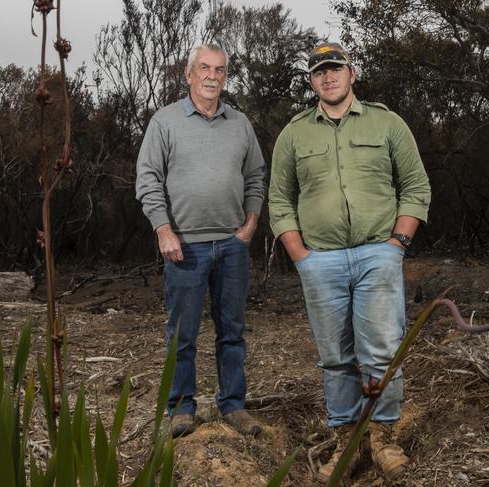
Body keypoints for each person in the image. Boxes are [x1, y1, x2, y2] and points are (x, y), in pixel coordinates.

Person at [268, 42, 431, 482]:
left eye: (335, 68)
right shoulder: (294, 133)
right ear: (312, 81)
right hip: (320, 260)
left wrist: (398, 243)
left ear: (351, 72)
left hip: (379, 251)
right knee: (335, 356)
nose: (328, 77)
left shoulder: (387, 122)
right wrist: (300, 255)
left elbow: (415, 184)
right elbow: (279, 199)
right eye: (319, 71)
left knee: (380, 350)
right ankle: (347, 440)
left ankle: (383, 438)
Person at [136, 44, 266, 439]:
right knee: (182, 334)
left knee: (232, 331)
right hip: (184, 247)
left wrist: (250, 222)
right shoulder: (166, 121)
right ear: (189, 74)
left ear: (226, 76)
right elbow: (147, 180)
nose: (213, 76)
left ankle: (233, 405)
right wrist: (163, 229)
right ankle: (181, 407)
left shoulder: (239, 123)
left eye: (220, 70)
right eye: (205, 69)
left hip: (231, 245)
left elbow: (256, 176)